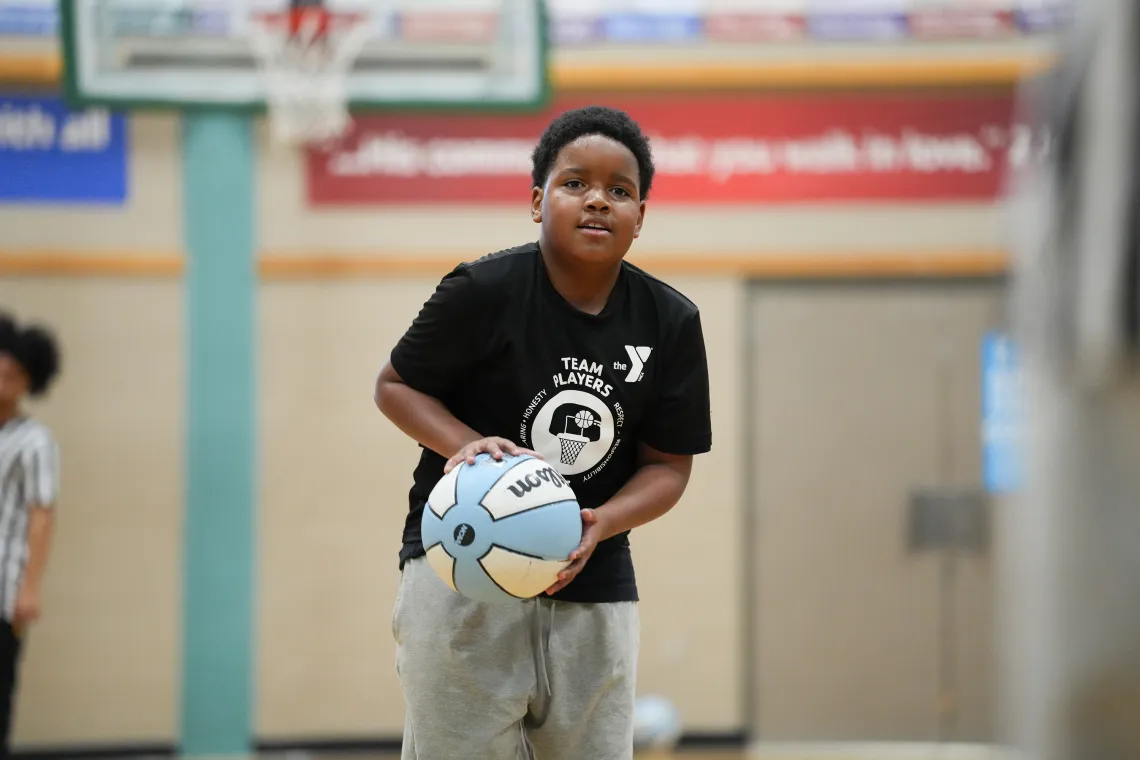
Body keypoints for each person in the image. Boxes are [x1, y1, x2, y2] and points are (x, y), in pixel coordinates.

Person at [374, 105, 712, 760]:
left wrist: (602, 522)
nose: (598, 201)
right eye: (575, 183)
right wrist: (463, 444)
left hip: (591, 581)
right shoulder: (482, 290)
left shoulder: (670, 321)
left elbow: (669, 465)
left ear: (641, 216)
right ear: (537, 201)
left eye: (620, 191)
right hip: (460, 572)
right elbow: (395, 385)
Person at [0, 313, 60, 756]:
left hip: (4, 592)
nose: (2, 382)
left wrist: (30, 589)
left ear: (29, 383)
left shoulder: (35, 442)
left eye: (12, 376)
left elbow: (42, 515)